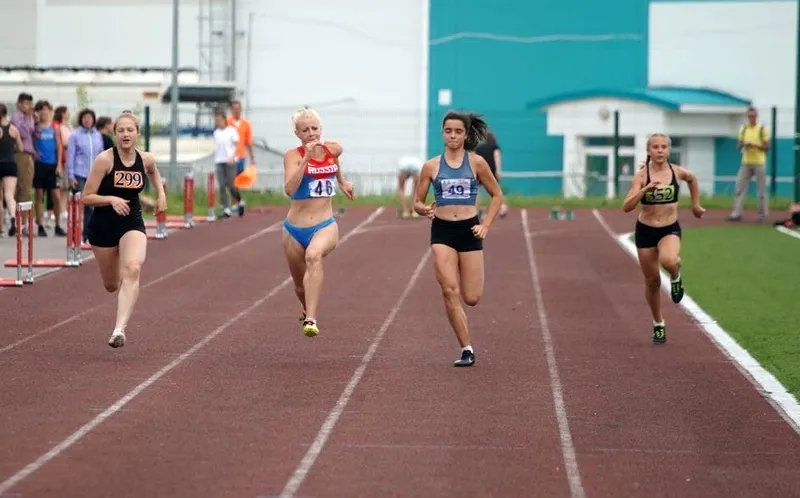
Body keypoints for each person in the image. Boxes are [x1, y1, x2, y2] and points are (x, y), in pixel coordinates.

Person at [414, 110, 504, 367]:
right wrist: (423, 209)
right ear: (442, 133)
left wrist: (486, 225)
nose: (453, 135)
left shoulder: (476, 163)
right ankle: (466, 348)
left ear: (465, 135)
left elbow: (497, 195)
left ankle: (467, 343)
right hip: (442, 231)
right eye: (448, 131)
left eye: (458, 131)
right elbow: (417, 202)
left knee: (472, 297)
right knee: (449, 289)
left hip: (469, 230)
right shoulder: (431, 166)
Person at [81, 111, 167, 348]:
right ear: (115, 133)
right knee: (111, 285)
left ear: (137, 133)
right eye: (121, 130)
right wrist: (110, 199)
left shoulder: (145, 158)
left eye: (130, 130)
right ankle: (120, 270)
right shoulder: (105, 160)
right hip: (103, 227)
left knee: (133, 267)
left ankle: (119, 330)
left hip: (132, 221)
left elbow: (153, 171)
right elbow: (86, 197)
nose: (126, 134)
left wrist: (161, 194)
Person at [622, 133, 705, 344]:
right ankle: (658, 323)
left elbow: (693, 179)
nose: (660, 150)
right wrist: (644, 191)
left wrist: (695, 205)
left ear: (669, 150)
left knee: (669, 260)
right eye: (655, 147)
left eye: (664, 147)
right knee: (652, 282)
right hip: (646, 230)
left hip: (669, 228)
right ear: (649, 151)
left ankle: (676, 277)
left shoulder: (676, 172)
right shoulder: (641, 176)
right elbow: (627, 206)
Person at [282, 107, 354, 338]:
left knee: (313, 256)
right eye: (305, 130)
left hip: (324, 225)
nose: (311, 133)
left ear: (321, 129)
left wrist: (343, 183)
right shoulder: (292, 156)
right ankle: (305, 309)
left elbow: (335, 161)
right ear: (297, 133)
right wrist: (305, 158)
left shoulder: (331, 149)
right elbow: (290, 189)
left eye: (314, 128)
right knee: (300, 287)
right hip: (294, 229)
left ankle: (311, 319)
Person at [212, 110, 244, 218]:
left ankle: (239, 201)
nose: (218, 122)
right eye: (216, 121)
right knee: (221, 185)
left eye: (219, 120)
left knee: (231, 185)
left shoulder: (231, 131)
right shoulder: (216, 133)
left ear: (224, 120)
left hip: (230, 161)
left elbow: (236, 145)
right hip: (219, 161)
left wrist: (232, 157)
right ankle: (226, 208)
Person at [0, 103, 24, 237]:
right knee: (9, 195)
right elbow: (20, 148)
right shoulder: (13, 129)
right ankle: (13, 218)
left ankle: (1, 227)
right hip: (10, 164)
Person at [473, 131, 509, 218]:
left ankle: (475, 211)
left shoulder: (479, 148)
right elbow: (496, 157)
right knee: (496, 193)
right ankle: (502, 209)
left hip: (479, 172)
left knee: (477, 192)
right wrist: (498, 171)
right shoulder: (495, 147)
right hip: (491, 172)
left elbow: (473, 158)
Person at [396, 155, 423, 219]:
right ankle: (414, 211)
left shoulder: (402, 161)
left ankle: (405, 211)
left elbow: (400, 188)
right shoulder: (417, 162)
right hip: (416, 166)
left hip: (403, 166)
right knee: (416, 189)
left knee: (401, 188)